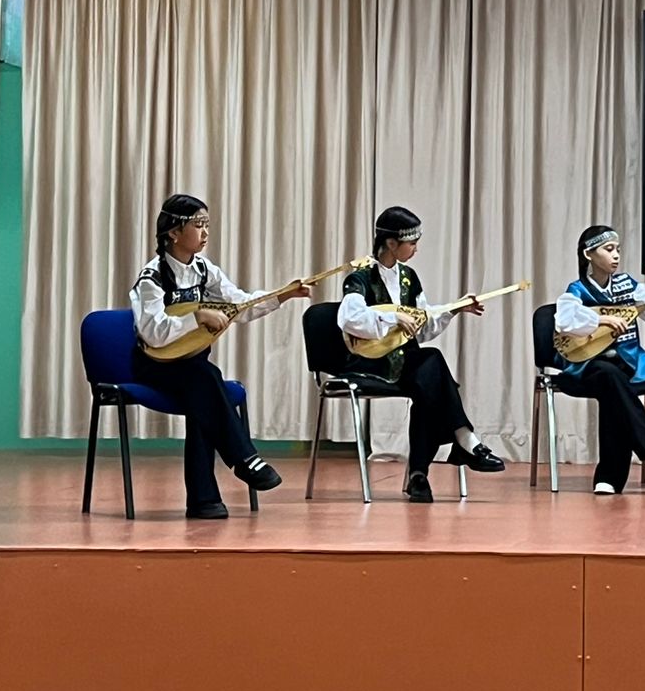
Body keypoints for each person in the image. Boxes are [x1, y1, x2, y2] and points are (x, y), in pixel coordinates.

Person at [128, 194, 309, 519]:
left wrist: (283, 295)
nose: (205, 232)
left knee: (204, 391)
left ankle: (205, 501)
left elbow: (239, 305)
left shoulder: (203, 270)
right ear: (174, 232)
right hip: (154, 366)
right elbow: (153, 332)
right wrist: (196, 316)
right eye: (198, 225)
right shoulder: (152, 278)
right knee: (208, 380)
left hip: (191, 367)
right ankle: (244, 459)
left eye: (207, 224)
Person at [337, 206, 504, 504]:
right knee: (433, 370)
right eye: (411, 243)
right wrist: (392, 318)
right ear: (391, 243)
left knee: (430, 380)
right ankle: (462, 440)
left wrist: (453, 309)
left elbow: (421, 329)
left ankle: (420, 476)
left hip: (406, 364)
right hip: (372, 364)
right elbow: (349, 319)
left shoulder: (409, 278)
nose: (416, 248)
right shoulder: (360, 278)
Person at [554, 226, 645, 494]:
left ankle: (608, 479)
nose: (616, 255)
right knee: (610, 376)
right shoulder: (577, 290)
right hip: (587, 366)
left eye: (618, 250)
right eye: (608, 249)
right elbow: (564, 321)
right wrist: (601, 319)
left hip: (627, 361)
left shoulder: (627, 285)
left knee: (615, 385)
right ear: (588, 254)